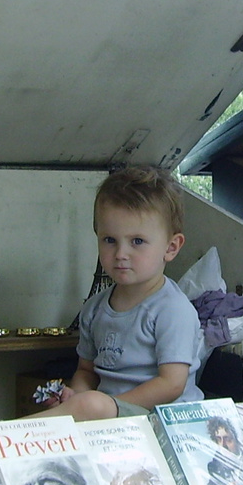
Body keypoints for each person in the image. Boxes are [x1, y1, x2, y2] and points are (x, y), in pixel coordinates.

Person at [40, 166, 202, 420]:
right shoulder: (94, 308)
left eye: (137, 241)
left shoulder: (173, 310)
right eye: (109, 240)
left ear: (171, 248)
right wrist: (76, 395)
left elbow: (172, 384)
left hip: (166, 423)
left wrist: (109, 406)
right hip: (115, 420)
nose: (121, 254)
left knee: (88, 407)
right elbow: (86, 371)